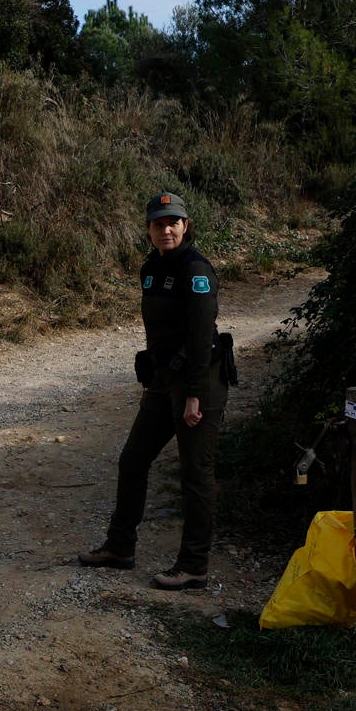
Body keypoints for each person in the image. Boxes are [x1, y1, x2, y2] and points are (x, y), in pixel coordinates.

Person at [79, 191, 232, 590]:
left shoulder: (196, 270)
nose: (166, 229)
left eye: (173, 223)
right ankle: (119, 548)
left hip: (199, 382)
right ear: (148, 229)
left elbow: (201, 337)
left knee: (196, 474)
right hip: (165, 382)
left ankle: (193, 565)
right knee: (133, 460)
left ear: (185, 226)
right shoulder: (151, 268)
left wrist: (195, 395)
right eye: (158, 223)